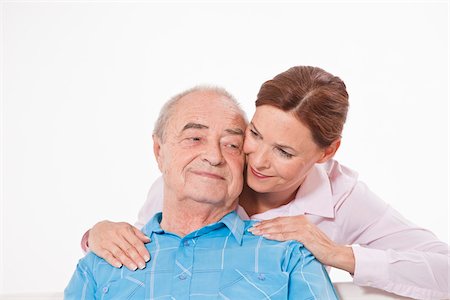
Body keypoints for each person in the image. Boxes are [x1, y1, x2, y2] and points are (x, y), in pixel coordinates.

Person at [84, 67, 450, 300]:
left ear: (326, 153)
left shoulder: (343, 198)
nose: (256, 160)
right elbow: (149, 256)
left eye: (284, 152)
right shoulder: (206, 171)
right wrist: (97, 236)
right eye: (254, 134)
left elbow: (444, 271)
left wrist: (338, 254)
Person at [65, 86, 338, 299]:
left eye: (232, 145)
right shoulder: (102, 264)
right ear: (159, 152)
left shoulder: (289, 257)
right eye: (195, 139)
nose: (213, 156)